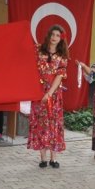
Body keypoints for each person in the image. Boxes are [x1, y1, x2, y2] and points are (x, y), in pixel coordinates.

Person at [28, 25, 69, 169]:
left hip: (54, 94)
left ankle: (53, 158)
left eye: (58, 35)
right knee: (41, 123)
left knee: (53, 123)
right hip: (38, 91)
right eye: (53, 34)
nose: (54, 37)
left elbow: (60, 76)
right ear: (48, 35)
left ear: (61, 38)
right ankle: (43, 159)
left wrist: (50, 93)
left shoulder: (62, 55)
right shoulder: (38, 50)